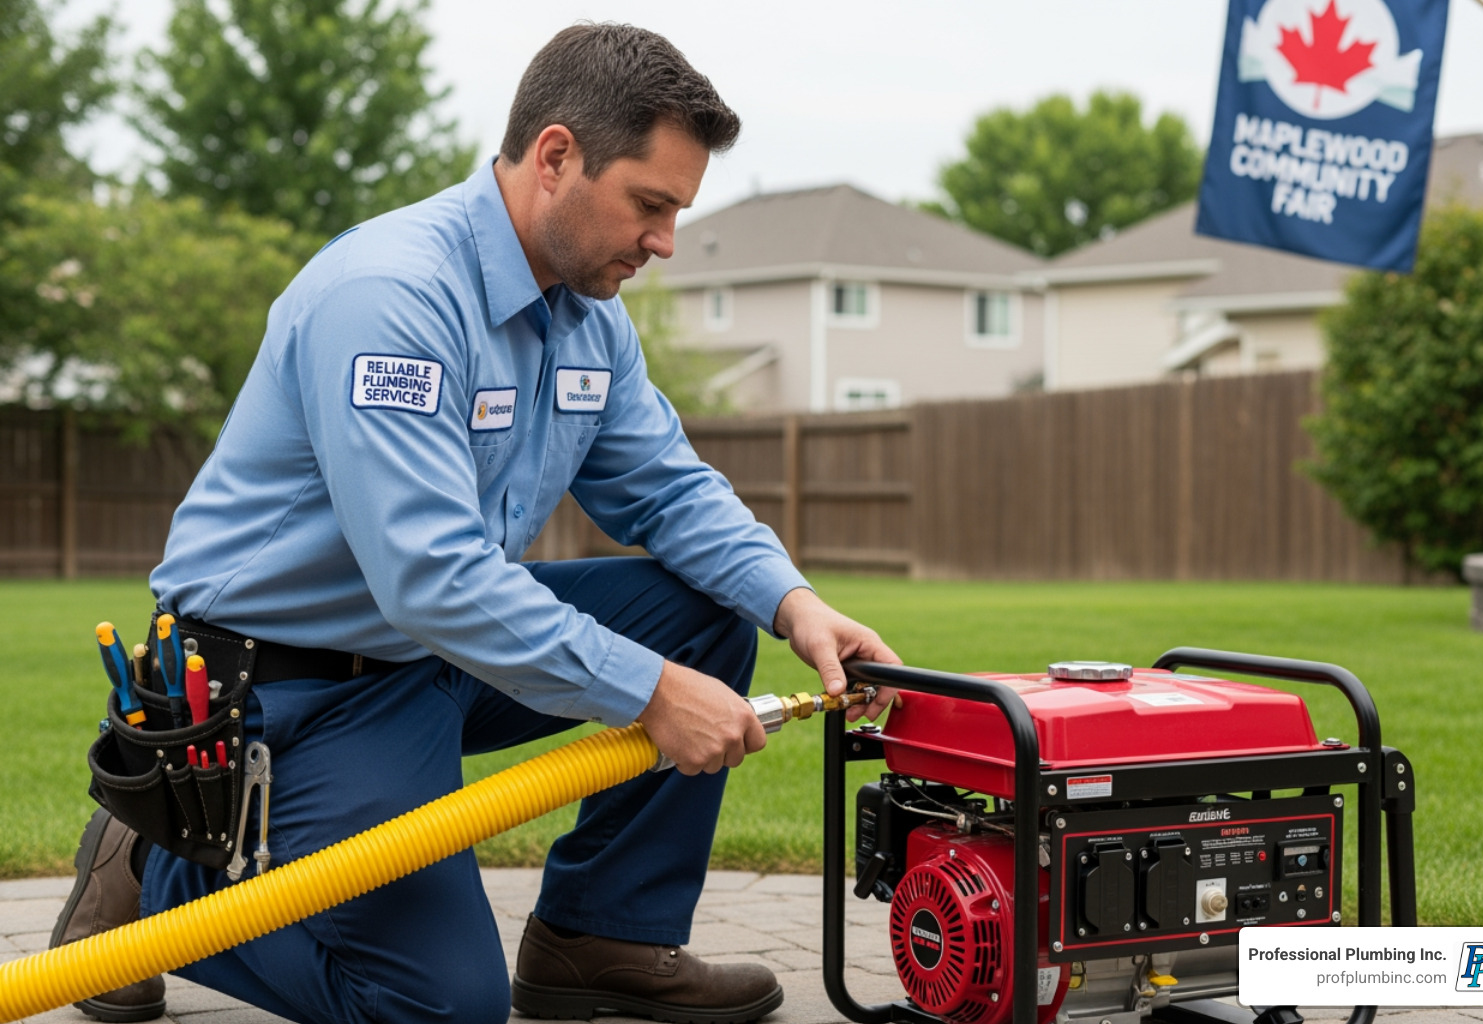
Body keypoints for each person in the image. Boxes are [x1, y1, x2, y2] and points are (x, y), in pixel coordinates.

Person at [50, 22, 899, 1024]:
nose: (664, 242)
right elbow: (431, 577)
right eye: (651, 204)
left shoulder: (588, 317)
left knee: (709, 613)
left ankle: (601, 939)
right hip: (293, 687)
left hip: (433, 654)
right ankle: (159, 871)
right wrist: (649, 690)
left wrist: (795, 604)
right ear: (555, 157)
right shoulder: (392, 299)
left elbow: (668, 489)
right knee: (438, 1007)